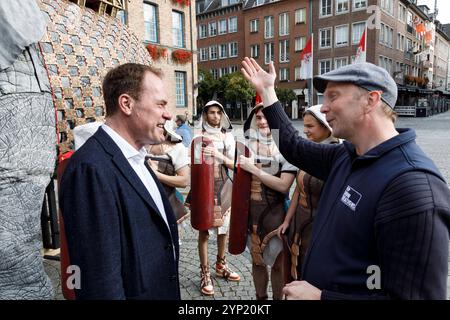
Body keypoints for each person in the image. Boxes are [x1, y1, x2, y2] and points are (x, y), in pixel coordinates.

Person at [241, 57, 450, 300]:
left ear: (370, 100)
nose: (324, 107)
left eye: (333, 96)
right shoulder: (346, 155)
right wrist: (267, 91)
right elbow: (293, 146)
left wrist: (322, 298)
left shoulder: (413, 186)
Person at [59, 63, 180, 299]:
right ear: (126, 104)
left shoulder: (136, 157)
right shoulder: (90, 170)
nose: (168, 114)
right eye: (160, 104)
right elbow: (99, 279)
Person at [238, 102, 297, 300]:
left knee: (279, 265)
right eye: (259, 118)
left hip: (276, 216)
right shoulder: (247, 146)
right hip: (250, 216)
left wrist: (254, 169)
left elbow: (283, 186)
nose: (263, 121)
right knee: (257, 262)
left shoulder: (286, 148)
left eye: (266, 117)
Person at [277, 105, 340, 281]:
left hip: (320, 226)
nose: (305, 131)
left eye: (310, 126)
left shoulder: (336, 155)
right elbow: (298, 189)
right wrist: (288, 220)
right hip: (299, 222)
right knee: (295, 268)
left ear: (325, 126)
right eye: (304, 126)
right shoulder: (308, 151)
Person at [189, 100, 240, 296]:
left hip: (224, 187)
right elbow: (192, 165)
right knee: (204, 231)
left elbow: (234, 165)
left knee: (223, 230)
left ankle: (221, 264)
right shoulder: (198, 136)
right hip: (203, 189)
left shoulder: (227, 136)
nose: (216, 116)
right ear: (205, 115)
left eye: (219, 112)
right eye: (212, 112)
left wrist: (217, 154)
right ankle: (205, 272)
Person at [147, 120, 190, 224]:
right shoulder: (141, 145)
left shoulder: (177, 148)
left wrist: (157, 175)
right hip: (143, 204)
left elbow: (183, 181)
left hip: (167, 202)